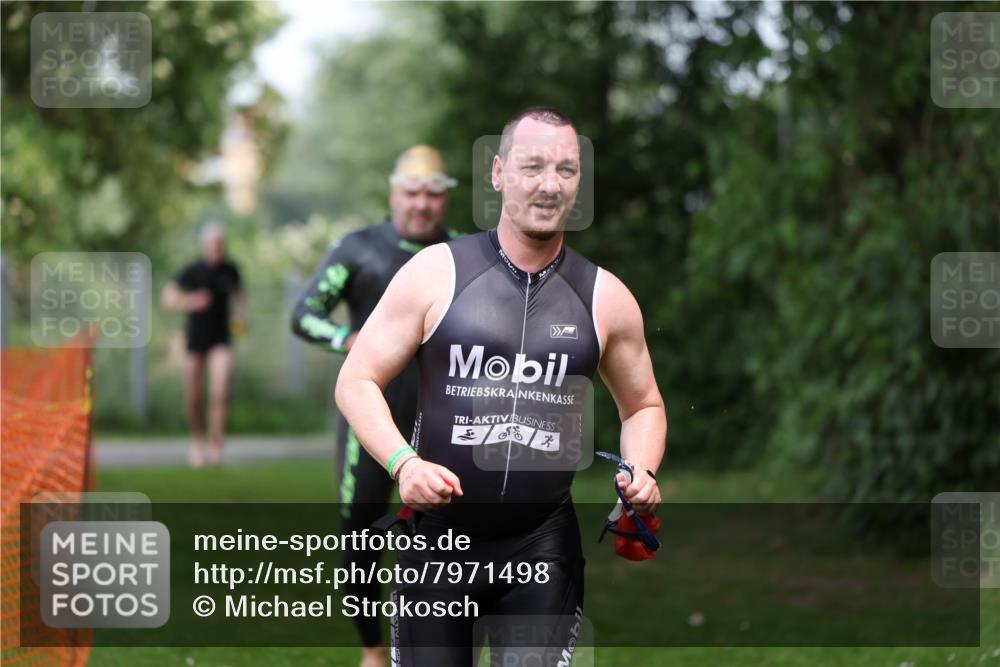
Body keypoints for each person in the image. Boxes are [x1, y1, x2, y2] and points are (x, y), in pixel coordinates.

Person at [335, 108, 667, 666]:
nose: (547, 184)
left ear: (578, 181)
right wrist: (403, 464)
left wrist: (642, 471)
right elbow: (357, 379)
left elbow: (644, 405)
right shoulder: (435, 272)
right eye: (531, 166)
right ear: (498, 173)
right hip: (438, 544)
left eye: (565, 170)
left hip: (542, 545)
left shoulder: (604, 297)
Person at [290, 145, 459, 667]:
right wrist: (348, 340)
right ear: (393, 193)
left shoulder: (466, 255)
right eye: (412, 192)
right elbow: (304, 313)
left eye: (433, 195)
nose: (422, 205)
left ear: (445, 200)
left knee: (445, 535)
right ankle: (372, 649)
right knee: (361, 529)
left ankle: (436, 642)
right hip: (369, 422)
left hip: (442, 423)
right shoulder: (357, 248)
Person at [161, 221, 245, 468]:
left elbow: (241, 297)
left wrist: (241, 317)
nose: (216, 247)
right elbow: (169, 298)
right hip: (195, 340)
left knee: (220, 392)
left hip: (222, 340)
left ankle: (215, 445)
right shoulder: (192, 271)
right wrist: (191, 301)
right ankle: (197, 441)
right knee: (193, 397)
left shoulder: (231, 270)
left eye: (220, 243)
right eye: (212, 243)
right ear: (204, 245)